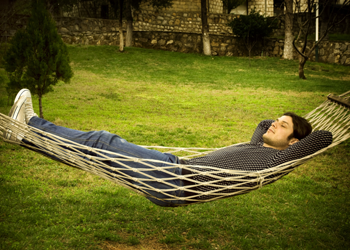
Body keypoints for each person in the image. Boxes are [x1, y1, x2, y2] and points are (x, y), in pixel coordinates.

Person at [6, 89, 333, 207]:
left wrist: (301, 134)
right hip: (173, 171)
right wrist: (278, 124)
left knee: (104, 141)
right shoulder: (259, 149)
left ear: (295, 144)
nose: (273, 124)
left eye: (284, 126)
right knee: (95, 156)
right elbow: (262, 124)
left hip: (175, 178)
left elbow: (324, 138)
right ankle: (23, 136)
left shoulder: (279, 160)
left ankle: (31, 123)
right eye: (279, 120)